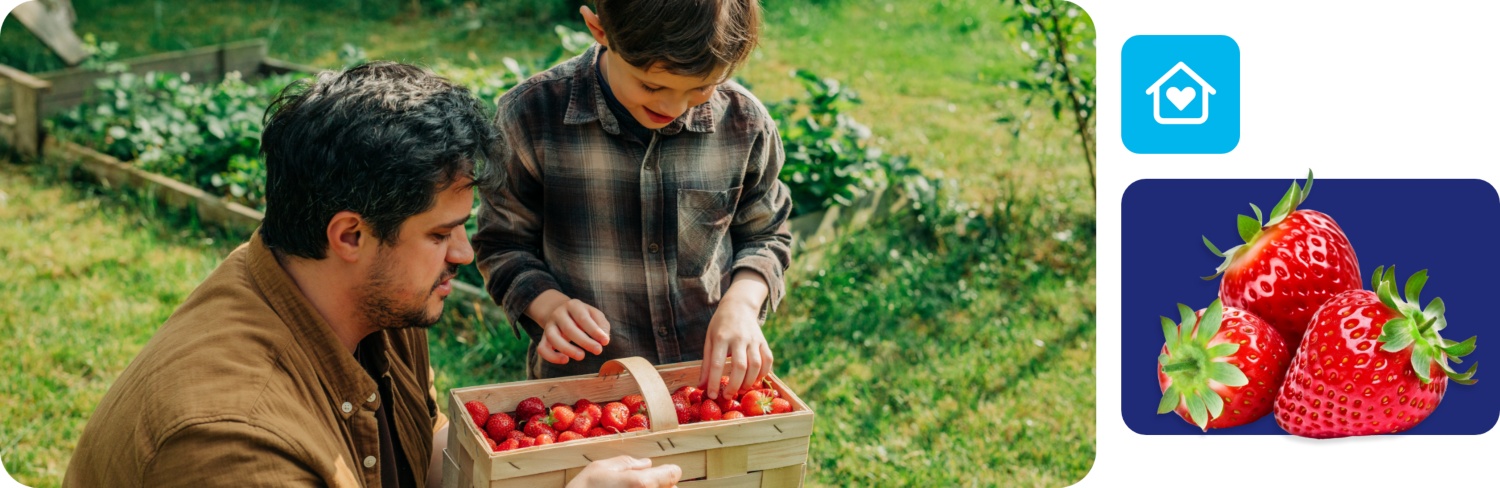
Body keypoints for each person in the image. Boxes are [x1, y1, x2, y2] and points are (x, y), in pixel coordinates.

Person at [63, 61, 680, 488]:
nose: (464, 255)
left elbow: (426, 453)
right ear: (350, 235)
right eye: (440, 234)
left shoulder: (364, 296)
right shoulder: (233, 441)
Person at [473, 0, 792, 402]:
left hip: (705, 385)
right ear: (598, 28)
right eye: (652, 86)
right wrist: (548, 305)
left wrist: (743, 304)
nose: (673, 108)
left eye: (700, 88)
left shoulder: (743, 123)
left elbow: (767, 234)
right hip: (587, 393)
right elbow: (502, 243)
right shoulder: (532, 116)